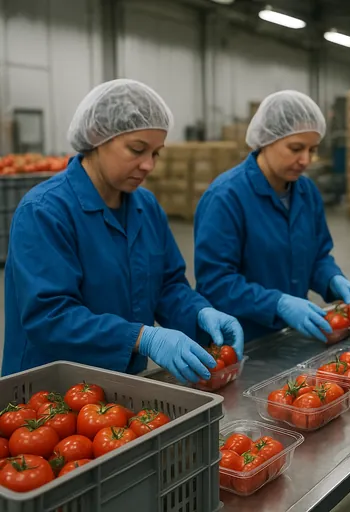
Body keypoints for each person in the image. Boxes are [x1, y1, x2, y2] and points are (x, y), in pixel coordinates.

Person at [2, 79, 244, 385]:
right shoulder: (44, 211)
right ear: (97, 137)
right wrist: (142, 337)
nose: (148, 165)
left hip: (122, 385)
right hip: (49, 396)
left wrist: (199, 312)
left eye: (156, 153)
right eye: (137, 149)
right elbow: (50, 316)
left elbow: (168, 285)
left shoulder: (145, 206)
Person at [194, 90, 350, 343]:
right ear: (267, 139)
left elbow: (317, 256)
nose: (305, 160)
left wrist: (332, 279)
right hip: (240, 342)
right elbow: (216, 283)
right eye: (295, 148)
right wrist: (277, 303)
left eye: (312, 149)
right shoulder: (226, 197)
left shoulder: (306, 192)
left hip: (290, 336)